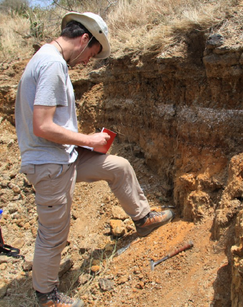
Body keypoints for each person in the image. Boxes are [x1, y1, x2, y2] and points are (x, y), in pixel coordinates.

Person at [15, 12, 174, 307]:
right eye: (92, 53)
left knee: (118, 167)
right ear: (85, 39)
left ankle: (143, 219)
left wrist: (85, 146)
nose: (89, 61)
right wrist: (89, 139)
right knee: (54, 234)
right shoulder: (51, 64)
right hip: (50, 165)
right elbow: (43, 126)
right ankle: (47, 297)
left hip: (64, 157)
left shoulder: (49, 60)